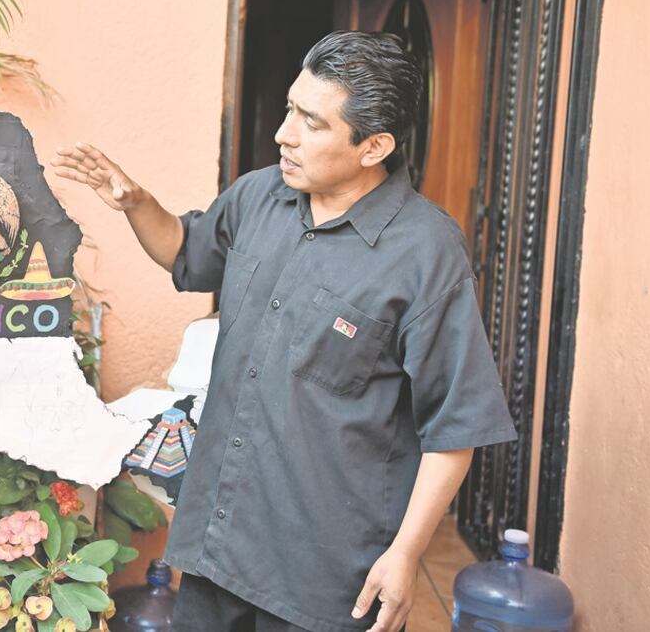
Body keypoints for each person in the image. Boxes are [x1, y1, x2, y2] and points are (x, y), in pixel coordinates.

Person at [51, 31, 516, 632]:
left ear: (374, 146)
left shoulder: (426, 251)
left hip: (326, 575)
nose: (283, 134)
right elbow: (187, 252)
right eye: (290, 109)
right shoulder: (260, 195)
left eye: (311, 122)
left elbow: (455, 425)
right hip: (220, 542)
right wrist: (136, 202)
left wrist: (404, 554)